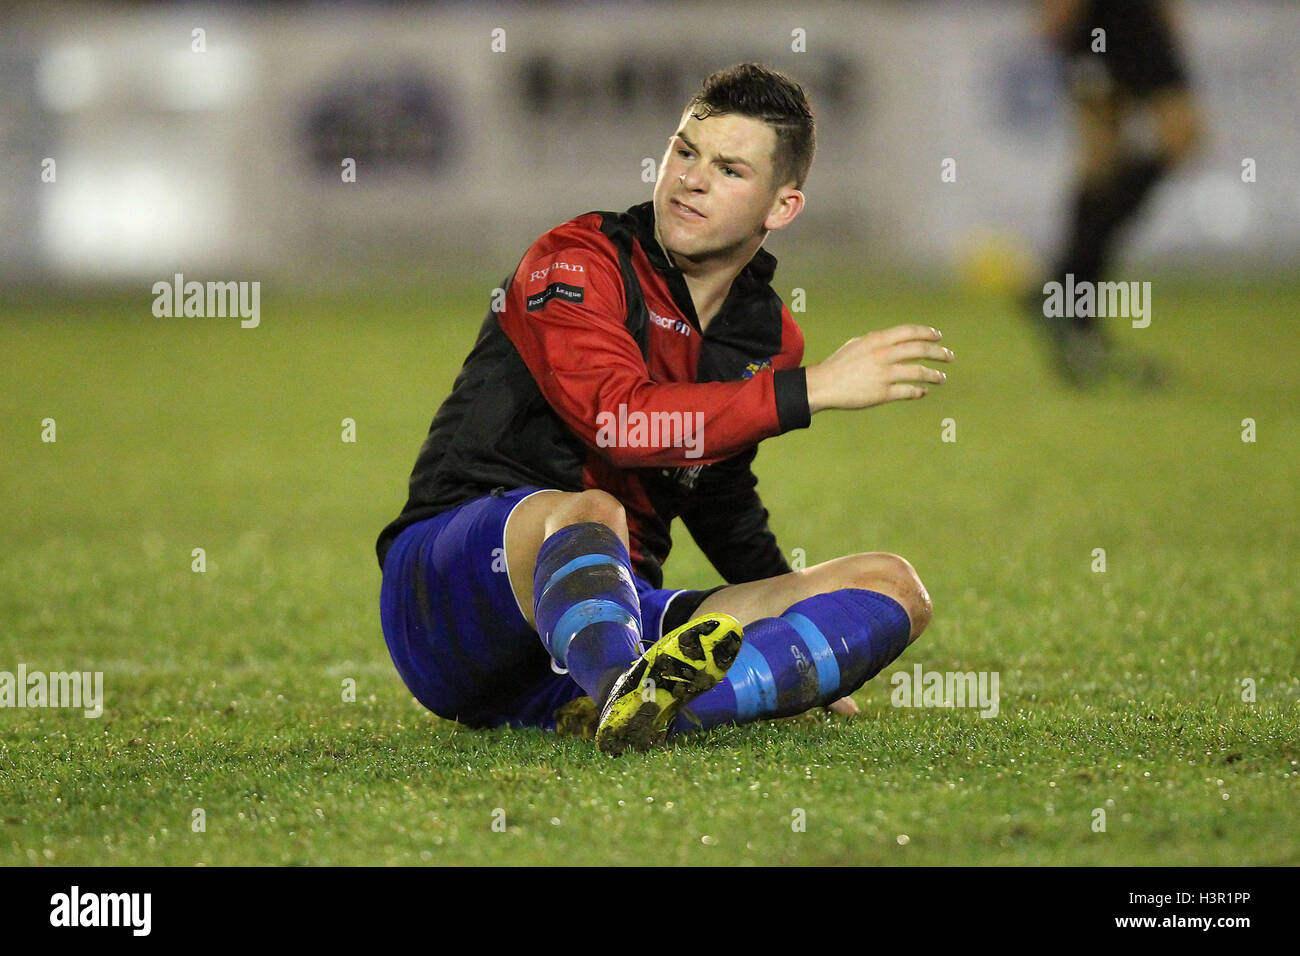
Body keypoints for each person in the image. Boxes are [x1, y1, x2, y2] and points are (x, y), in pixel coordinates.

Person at [376, 63, 953, 754]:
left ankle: (645, 708)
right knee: (591, 510)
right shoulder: (577, 260)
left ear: (781, 208)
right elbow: (618, 424)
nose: (691, 178)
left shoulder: (767, 337)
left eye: (730, 169)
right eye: (685, 150)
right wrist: (813, 390)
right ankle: (633, 688)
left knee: (893, 586)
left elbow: (719, 495)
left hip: (607, 613)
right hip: (449, 597)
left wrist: (805, 635)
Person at [1033, 0, 1202, 384]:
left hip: (1137, 20)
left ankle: (1064, 293)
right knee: (1100, 165)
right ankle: (1071, 307)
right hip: (1097, 24)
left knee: (1175, 140)